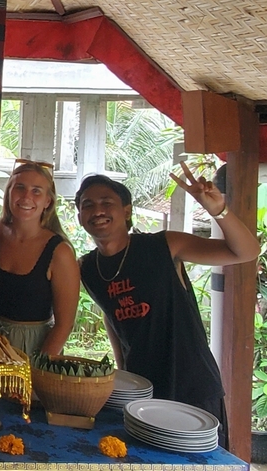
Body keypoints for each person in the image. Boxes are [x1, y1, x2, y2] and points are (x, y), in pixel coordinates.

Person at [76, 166, 258, 449]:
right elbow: (112, 318)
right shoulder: (87, 268)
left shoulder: (164, 245)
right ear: (80, 217)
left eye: (106, 203)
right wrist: (124, 376)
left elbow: (245, 251)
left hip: (192, 386)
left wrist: (218, 209)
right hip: (143, 393)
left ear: (126, 210)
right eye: (88, 205)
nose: (97, 210)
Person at [0, 160, 80, 357]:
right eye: (20, 188)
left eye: (36, 191)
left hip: (32, 349)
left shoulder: (60, 252)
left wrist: (40, 365)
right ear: (8, 194)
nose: (26, 197)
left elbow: (65, 324)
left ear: (48, 201)